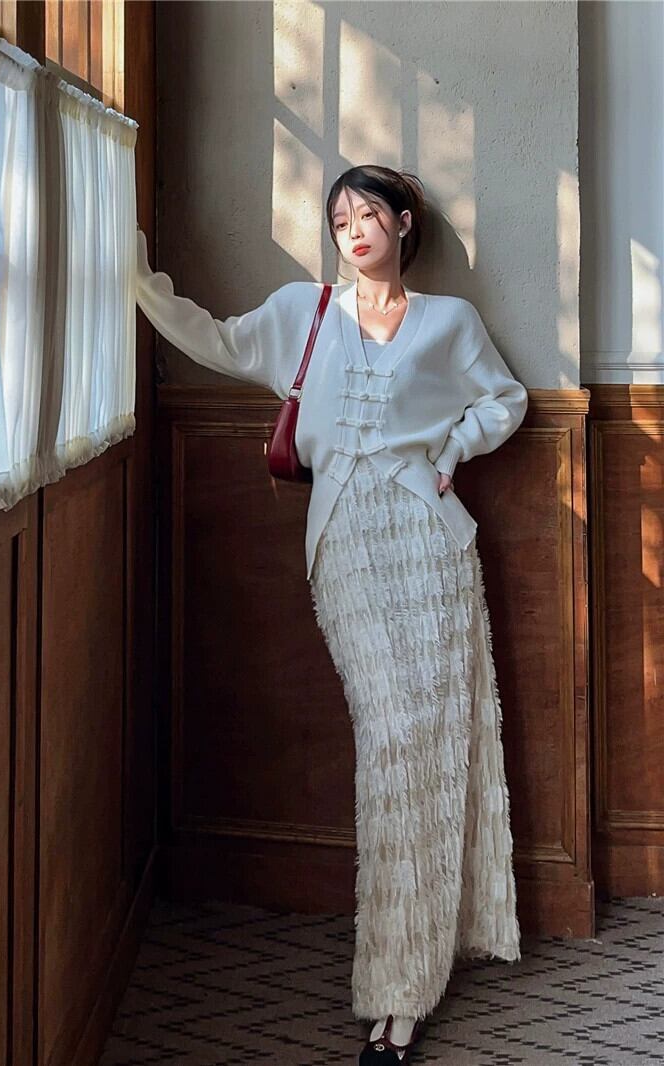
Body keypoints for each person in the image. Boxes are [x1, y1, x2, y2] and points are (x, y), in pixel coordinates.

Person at [134, 164, 527, 1064]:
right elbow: (217, 341)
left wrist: (452, 451)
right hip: (345, 545)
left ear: (404, 222)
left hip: (431, 549)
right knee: (392, 740)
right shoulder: (301, 312)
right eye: (339, 217)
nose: (352, 229)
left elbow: (506, 400)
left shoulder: (449, 322)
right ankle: (397, 977)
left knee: (430, 747)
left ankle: (405, 994)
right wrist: (137, 278)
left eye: (368, 214)